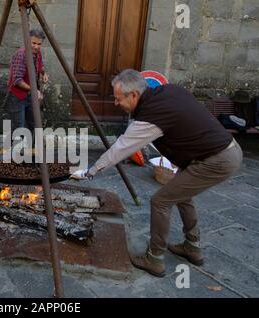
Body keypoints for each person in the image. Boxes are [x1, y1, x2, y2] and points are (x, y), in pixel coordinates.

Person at [71, 69, 243, 277]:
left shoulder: (151, 116)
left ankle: (155, 258)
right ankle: (192, 246)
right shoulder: (167, 91)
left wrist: (90, 172)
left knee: (160, 200)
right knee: (181, 194)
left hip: (217, 159)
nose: (116, 104)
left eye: (118, 99)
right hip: (220, 151)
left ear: (133, 95)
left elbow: (120, 149)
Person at [6, 29, 49, 149]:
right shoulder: (21, 54)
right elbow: (17, 80)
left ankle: (30, 152)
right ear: (27, 41)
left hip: (30, 95)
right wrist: (34, 90)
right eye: (33, 43)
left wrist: (44, 73)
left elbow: (40, 66)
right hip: (17, 96)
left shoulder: (37, 53)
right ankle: (8, 152)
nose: (36, 46)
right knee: (18, 126)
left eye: (39, 44)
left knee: (34, 124)